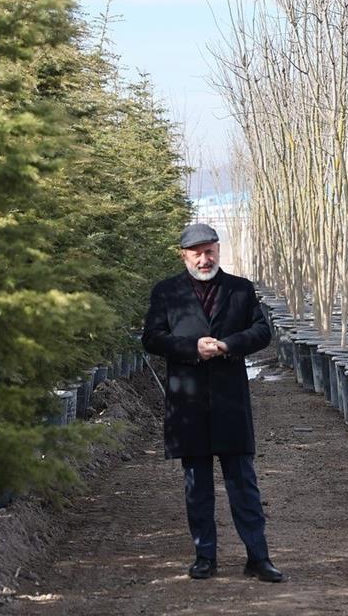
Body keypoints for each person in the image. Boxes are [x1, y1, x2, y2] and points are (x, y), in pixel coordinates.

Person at [141, 223, 285, 583]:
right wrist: (192, 348)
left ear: (218, 250)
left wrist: (228, 344)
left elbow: (262, 332)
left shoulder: (240, 289)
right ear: (184, 256)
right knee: (197, 484)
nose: (204, 259)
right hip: (187, 403)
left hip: (230, 400)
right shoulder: (167, 292)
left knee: (243, 483)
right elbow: (152, 338)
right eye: (197, 253)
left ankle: (259, 557)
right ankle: (204, 557)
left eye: (210, 251)